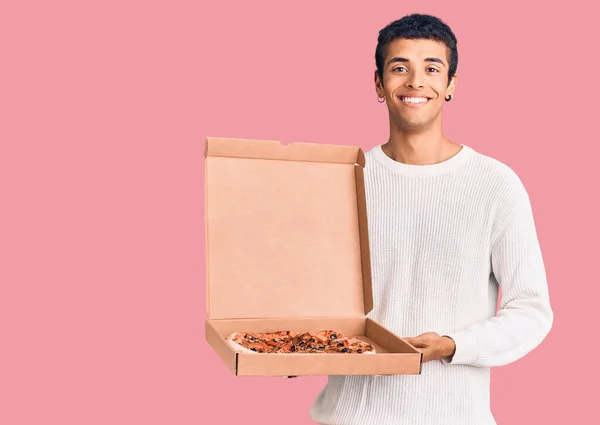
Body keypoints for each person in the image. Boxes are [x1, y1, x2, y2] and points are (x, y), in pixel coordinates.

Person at [309, 13, 553, 425]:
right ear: (377, 83)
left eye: (432, 68)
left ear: (451, 85)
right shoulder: (344, 181)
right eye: (399, 67)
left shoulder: (495, 185)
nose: (415, 81)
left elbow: (530, 310)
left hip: (453, 415)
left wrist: (454, 344)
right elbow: (312, 296)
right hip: (348, 415)